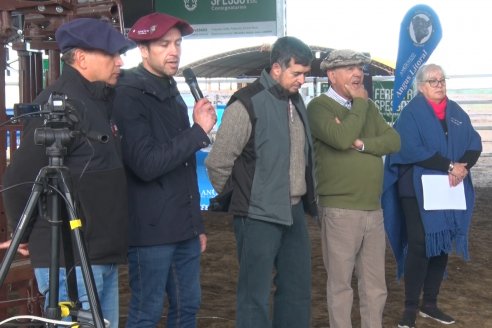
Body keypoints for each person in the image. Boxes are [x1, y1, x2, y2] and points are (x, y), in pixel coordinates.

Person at [0, 18, 135, 327]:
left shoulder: (98, 101)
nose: (119, 61)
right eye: (111, 54)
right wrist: (24, 229)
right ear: (81, 58)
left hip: (99, 252)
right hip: (69, 258)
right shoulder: (60, 106)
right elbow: (18, 177)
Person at [111, 13, 216, 327]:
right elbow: (145, 164)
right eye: (163, 44)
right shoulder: (128, 94)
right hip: (150, 229)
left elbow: (182, 167)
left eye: (178, 43)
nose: (174, 51)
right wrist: (198, 132)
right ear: (143, 50)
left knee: (188, 308)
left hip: (181, 226)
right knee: (147, 311)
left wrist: (194, 224)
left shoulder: (171, 91)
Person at [205, 36, 317, 328]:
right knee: (254, 295)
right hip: (257, 216)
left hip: (293, 211)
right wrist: (244, 199)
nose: (302, 80)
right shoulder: (246, 104)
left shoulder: (297, 100)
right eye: (297, 73)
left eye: (305, 74)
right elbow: (218, 163)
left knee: (297, 291)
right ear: (276, 69)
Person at [382, 64, 482, 328]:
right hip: (415, 189)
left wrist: (462, 168)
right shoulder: (411, 113)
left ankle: (430, 304)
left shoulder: (457, 113)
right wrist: (450, 166)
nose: (439, 84)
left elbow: (474, 143)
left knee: (442, 243)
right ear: (421, 86)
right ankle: (410, 307)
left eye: (442, 79)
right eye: (432, 80)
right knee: (419, 243)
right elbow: (411, 148)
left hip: (448, 188)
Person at [307, 49, 401, 328]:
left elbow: (393, 140)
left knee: (375, 285)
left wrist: (361, 144)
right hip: (340, 210)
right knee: (340, 285)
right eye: (348, 68)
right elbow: (340, 137)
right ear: (331, 75)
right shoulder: (319, 107)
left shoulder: (367, 107)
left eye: (359, 67)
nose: (357, 73)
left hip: (373, 208)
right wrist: (359, 108)